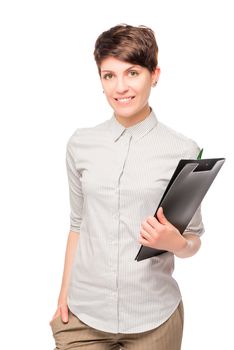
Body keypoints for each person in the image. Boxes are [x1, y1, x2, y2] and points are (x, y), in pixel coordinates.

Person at [49, 24, 204, 350]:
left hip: (154, 318)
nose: (120, 87)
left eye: (132, 73)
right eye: (109, 76)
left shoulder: (183, 150)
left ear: (154, 74)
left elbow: (193, 240)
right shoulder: (81, 144)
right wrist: (64, 294)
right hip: (83, 316)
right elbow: (78, 224)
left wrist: (174, 242)